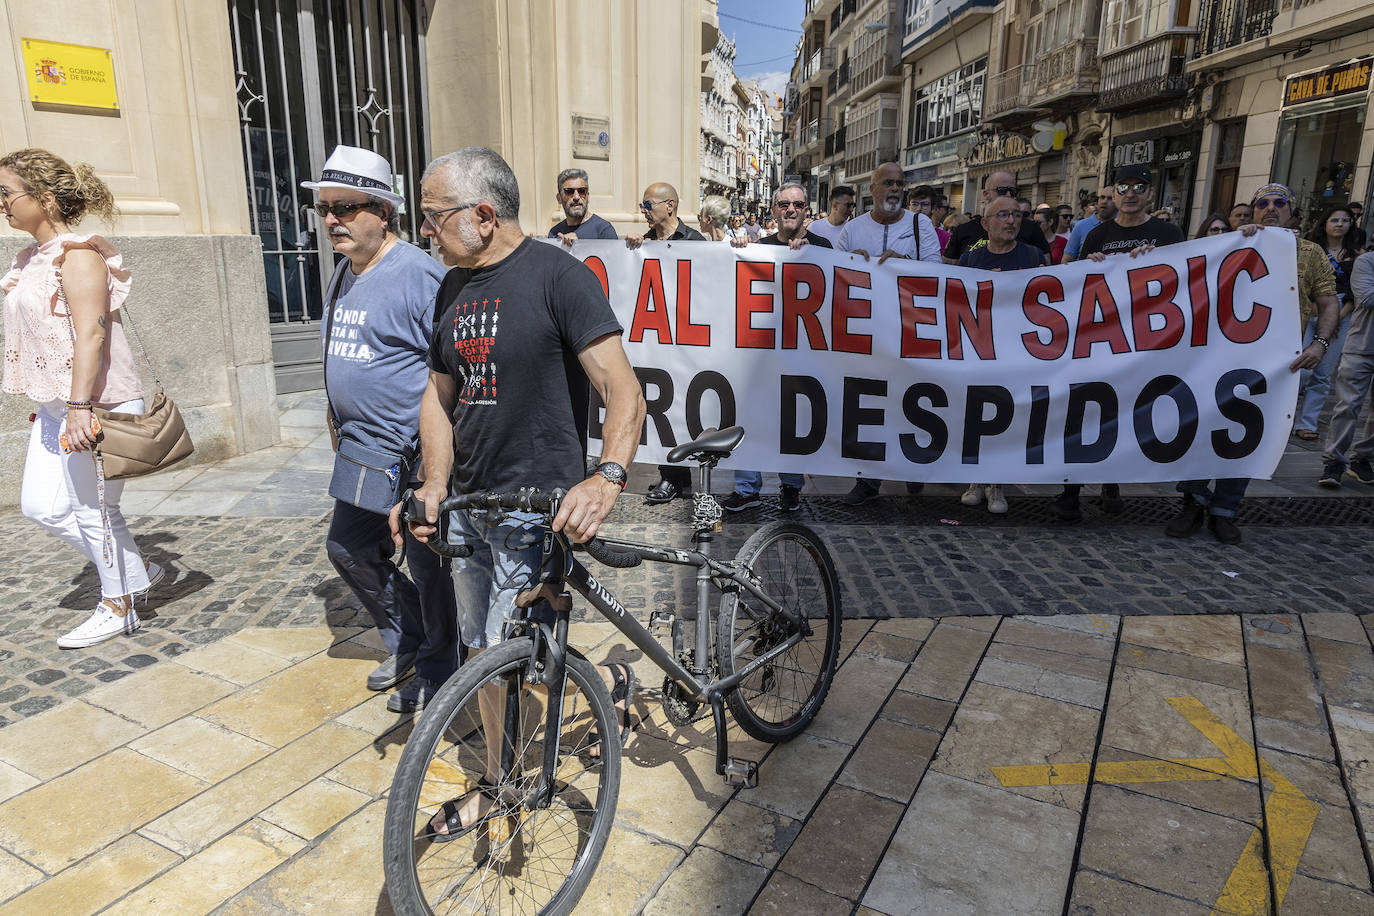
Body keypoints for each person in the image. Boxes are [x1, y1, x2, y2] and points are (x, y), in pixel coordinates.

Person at [399, 148, 646, 838]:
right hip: (470, 507)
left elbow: (623, 390)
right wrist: (435, 485)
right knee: (487, 649)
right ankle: (594, 701)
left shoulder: (558, 278)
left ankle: (502, 781)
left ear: (482, 216)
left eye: (433, 216)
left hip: (534, 505)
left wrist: (608, 477)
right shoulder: (452, 289)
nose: (425, 231)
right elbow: (439, 398)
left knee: (508, 652)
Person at [299, 145, 459, 708]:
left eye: (345, 207)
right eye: (323, 208)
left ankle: (443, 668)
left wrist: (437, 459)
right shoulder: (345, 270)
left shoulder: (420, 275)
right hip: (363, 449)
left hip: (413, 452)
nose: (331, 220)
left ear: (383, 212)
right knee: (347, 547)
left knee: (427, 560)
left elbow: (451, 368)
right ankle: (410, 635)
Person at [1, 148, 163, 648]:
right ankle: (137, 569)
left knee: (95, 511)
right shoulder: (29, 258)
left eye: (7, 193)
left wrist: (79, 408)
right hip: (57, 405)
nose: (1, 204)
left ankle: (119, 606)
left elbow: (90, 336)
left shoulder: (81, 255)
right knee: (41, 507)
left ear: (45, 199)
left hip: (95, 405)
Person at [1169, 183, 1338, 543]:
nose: (1271, 208)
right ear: (1252, 209)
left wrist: (1320, 345)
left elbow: (1328, 302)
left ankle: (1225, 511)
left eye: (1280, 203)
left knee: (1247, 435)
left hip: (1274, 367)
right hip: (1217, 358)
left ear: (1293, 212)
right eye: (1263, 203)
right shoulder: (1227, 246)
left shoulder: (1310, 253)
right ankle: (1192, 503)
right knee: (1202, 429)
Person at [1054, 164, 1185, 524]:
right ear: (1112, 194)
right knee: (1088, 410)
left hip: (1147, 340)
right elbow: (1080, 286)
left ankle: (1112, 482)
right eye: (1123, 187)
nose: (1130, 194)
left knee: (1128, 411)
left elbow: (1186, 278)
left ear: (1149, 194)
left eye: (1138, 187)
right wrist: (1091, 264)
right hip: (1100, 338)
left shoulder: (1168, 233)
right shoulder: (1097, 235)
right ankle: (1071, 490)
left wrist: (1155, 263)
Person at [720, 183, 831, 513]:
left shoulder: (823, 247)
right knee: (751, 418)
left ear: (806, 211)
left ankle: (791, 487)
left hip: (803, 355)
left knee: (794, 422)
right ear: (773, 211)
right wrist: (739, 247)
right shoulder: (758, 247)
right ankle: (747, 488)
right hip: (762, 355)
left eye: (797, 204)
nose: (791, 210)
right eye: (784, 204)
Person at [835, 162, 940, 505]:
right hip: (867, 334)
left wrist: (905, 263)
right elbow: (831, 275)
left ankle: (911, 467)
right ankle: (868, 481)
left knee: (909, 401)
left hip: (909, 329)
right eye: (888, 183)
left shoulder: (919, 224)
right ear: (872, 189)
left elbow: (937, 274)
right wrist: (851, 264)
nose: (895, 189)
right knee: (869, 405)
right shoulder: (852, 230)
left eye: (899, 184)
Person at [954, 196, 1045, 515]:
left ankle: (998, 485)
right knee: (977, 416)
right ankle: (976, 480)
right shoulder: (970, 260)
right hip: (980, 353)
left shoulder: (1033, 256)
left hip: (1018, 354)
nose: (1011, 221)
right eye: (1003, 215)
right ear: (986, 223)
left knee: (1007, 417)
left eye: (1016, 215)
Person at [626, 182, 707, 504]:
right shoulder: (645, 243)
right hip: (655, 339)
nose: (643, 211)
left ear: (669, 205)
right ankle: (670, 476)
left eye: (648, 204)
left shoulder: (696, 242)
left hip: (687, 341)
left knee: (682, 408)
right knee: (659, 406)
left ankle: (680, 475)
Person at [1295, 204, 1358, 441]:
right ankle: (1286, 416)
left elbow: (1357, 291)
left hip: (1343, 312)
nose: (1340, 224)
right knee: (1299, 368)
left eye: (1345, 220)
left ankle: (1307, 423)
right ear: (1325, 223)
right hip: (1310, 309)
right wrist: (1315, 309)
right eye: (1335, 220)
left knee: (1323, 373)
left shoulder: (1357, 255)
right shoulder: (1311, 251)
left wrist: (1338, 316)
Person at [1320, 250, 1374, 487]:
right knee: (1348, 406)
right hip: (1361, 346)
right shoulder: (1366, 261)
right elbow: (1367, 297)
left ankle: (1362, 459)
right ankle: (1334, 461)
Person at [943, 171, 1051, 264]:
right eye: (1002, 190)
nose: (1008, 195)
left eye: (1013, 191)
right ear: (986, 194)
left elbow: (1046, 268)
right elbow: (950, 272)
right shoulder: (963, 230)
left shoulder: (1031, 229)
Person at [548, 167, 618, 245]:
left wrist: (579, 246)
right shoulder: (554, 234)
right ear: (559, 198)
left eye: (581, 191)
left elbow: (614, 256)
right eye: (569, 191)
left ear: (587, 196)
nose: (576, 197)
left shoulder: (603, 230)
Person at [1062, 186, 1115, 264]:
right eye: (1102, 197)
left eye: (1110, 198)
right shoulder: (1080, 226)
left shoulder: (1124, 225)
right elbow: (1066, 260)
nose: (1104, 201)